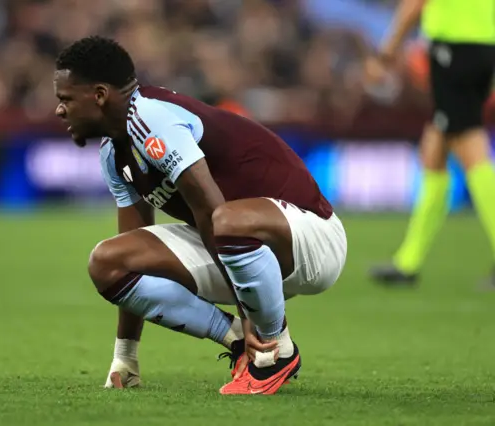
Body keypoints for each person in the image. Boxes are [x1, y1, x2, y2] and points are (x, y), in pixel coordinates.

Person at [53, 36, 347, 395]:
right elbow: (134, 243)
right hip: (239, 249)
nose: (59, 110)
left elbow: (211, 210)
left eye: (65, 99)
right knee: (108, 261)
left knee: (225, 220)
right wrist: (125, 356)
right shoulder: (113, 154)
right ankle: (239, 341)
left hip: (311, 239)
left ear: (99, 95)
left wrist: (248, 312)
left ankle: (276, 351)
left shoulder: (151, 117)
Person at [367, 0, 495, 288]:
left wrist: (387, 49)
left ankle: (408, 262)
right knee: (434, 149)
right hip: (482, 45)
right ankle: (408, 261)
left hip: (454, 46)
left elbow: (415, 3)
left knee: (469, 145)